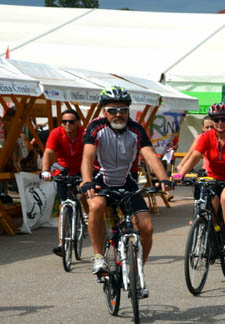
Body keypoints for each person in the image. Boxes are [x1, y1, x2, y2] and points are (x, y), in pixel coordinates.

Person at [81, 86, 171, 283]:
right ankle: (98, 257)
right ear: (104, 111)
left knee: (146, 228)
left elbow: (149, 155)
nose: (118, 114)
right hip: (102, 181)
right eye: (112, 110)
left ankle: (137, 271)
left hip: (128, 183)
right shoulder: (95, 127)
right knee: (96, 206)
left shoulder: (136, 129)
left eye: (123, 110)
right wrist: (87, 181)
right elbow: (87, 156)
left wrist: (163, 178)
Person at [173, 103, 225, 253]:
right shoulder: (206, 137)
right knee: (210, 209)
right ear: (212, 120)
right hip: (212, 178)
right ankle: (213, 238)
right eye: (216, 119)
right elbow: (195, 156)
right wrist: (181, 174)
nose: (220, 123)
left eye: (223, 119)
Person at [40, 108, 86, 257]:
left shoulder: (84, 133)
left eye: (71, 122)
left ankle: (87, 216)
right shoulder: (56, 133)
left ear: (78, 123)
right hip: (63, 170)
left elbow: (92, 152)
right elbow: (48, 152)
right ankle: (62, 244)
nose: (67, 124)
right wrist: (45, 170)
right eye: (64, 121)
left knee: (86, 193)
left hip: (82, 168)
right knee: (63, 205)